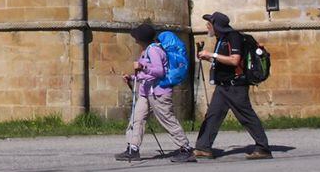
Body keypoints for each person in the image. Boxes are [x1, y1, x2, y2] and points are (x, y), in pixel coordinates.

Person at [193, 12, 272, 159]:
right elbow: (224, 62)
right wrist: (209, 58)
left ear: (216, 25)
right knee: (213, 115)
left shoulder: (233, 37)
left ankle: (263, 148)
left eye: (209, 23)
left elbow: (234, 60)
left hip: (236, 86)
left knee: (246, 117)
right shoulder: (222, 39)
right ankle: (203, 147)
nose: (207, 26)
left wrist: (212, 55)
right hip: (223, 86)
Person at [115, 23, 196, 163]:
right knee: (136, 119)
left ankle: (186, 148)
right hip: (146, 92)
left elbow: (159, 71)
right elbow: (148, 75)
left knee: (167, 119)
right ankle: (133, 148)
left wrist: (142, 67)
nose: (135, 39)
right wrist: (133, 77)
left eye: (136, 37)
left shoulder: (154, 50)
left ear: (141, 38)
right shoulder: (146, 51)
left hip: (159, 93)